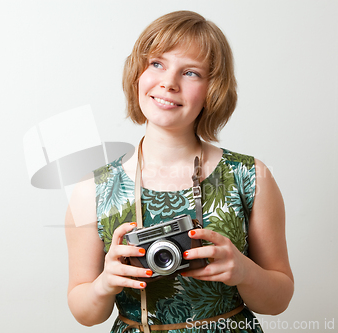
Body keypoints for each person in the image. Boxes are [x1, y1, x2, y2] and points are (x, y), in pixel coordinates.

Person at [65, 10, 293, 333]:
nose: (168, 82)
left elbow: (279, 299)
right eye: (156, 63)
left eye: (191, 73)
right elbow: (84, 311)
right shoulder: (92, 189)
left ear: (213, 89)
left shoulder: (251, 176)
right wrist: (105, 283)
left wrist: (243, 270)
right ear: (137, 75)